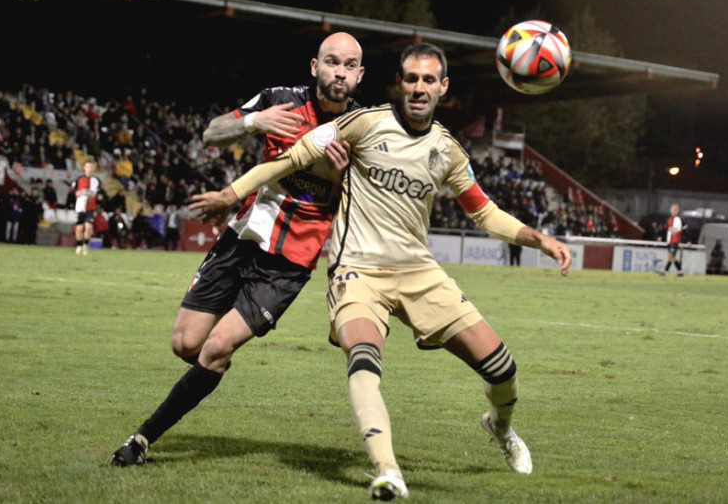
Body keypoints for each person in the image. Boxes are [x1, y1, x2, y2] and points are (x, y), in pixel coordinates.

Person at [190, 43, 572, 500]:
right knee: (364, 363)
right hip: (358, 273)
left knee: (503, 370)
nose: (418, 87)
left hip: (420, 275)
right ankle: (388, 471)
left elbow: (485, 213)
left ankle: (500, 426)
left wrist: (540, 239)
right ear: (399, 83)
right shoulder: (363, 122)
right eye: (411, 78)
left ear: (443, 88)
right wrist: (232, 192)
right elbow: (288, 159)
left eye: (429, 80)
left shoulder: (447, 150)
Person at [111, 32, 364, 466]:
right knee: (184, 343)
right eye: (331, 62)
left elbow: (356, 209)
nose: (339, 72)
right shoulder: (278, 99)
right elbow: (212, 132)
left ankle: (140, 441)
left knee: (214, 349)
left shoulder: (364, 127)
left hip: (288, 262)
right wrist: (254, 122)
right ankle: (213, 364)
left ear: (360, 74)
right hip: (241, 237)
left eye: (349, 65)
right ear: (314, 66)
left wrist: (341, 178)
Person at [71, 160, 101, 254]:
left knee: (88, 227)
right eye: (88, 167)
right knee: (79, 228)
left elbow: (100, 192)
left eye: (91, 167)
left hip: (91, 208)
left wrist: (100, 197)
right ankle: (79, 245)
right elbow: (72, 190)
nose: (89, 169)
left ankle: (85, 245)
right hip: (80, 207)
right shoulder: (79, 179)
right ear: (84, 168)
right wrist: (76, 193)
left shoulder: (96, 180)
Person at [660, 203, 683, 276]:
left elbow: (676, 230)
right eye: (673, 209)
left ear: (678, 211)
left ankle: (665, 271)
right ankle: (680, 272)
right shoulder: (669, 219)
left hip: (675, 241)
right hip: (669, 241)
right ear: (670, 210)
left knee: (670, 256)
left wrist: (668, 228)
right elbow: (666, 229)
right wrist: (661, 235)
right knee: (672, 257)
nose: (674, 211)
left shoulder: (678, 219)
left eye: (676, 209)